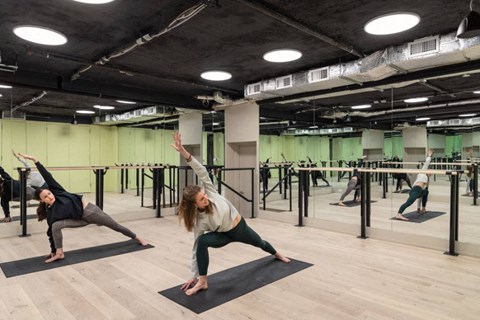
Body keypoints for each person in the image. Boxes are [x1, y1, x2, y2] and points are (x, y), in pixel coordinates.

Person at [171, 132, 290, 296]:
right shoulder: (200, 221)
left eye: (204, 194)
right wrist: (193, 275)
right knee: (202, 242)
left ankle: (277, 254)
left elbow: (201, 171)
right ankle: (202, 281)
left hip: (239, 228)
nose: (205, 197)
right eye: (201, 198)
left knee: (260, 243)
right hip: (223, 235)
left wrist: (184, 152)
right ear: (194, 204)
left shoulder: (211, 193)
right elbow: (195, 249)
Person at [18, 153, 148, 263]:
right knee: (54, 226)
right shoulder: (51, 212)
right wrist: (53, 250)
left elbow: (47, 176)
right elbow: (50, 233)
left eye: (49, 193)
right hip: (80, 219)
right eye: (46, 197)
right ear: (42, 200)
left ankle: (138, 238)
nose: (50, 197)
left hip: (90, 212)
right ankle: (59, 253)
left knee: (115, 226)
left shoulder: (58, 192)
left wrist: (35, 160)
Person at [395, 149, 434, 221]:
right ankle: (399, 214)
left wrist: (418, 208)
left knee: (426, 192)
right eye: (430, 172)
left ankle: (423, 209)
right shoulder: (422, 172)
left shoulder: (426, 179)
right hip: (415, 190)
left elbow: (421, 197)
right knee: (409, 203)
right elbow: (427, 163)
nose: (431, 174)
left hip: (418, 191)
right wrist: (429, 155)